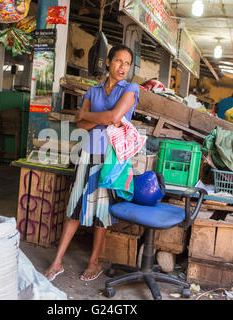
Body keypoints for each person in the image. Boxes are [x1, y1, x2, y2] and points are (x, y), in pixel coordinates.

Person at [43, 44, 139, 282]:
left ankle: (94, 261)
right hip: (87, 154)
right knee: (74, 206)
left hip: (111, 158)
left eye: (127, 63)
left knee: (101, 212)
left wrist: (90, 116)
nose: (123, 67)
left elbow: (114, 117)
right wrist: (100, 119)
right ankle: (57, 262)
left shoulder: (131, 89)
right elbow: (79, 125)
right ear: (108, 62)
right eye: (118, 61)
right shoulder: (92, 92)